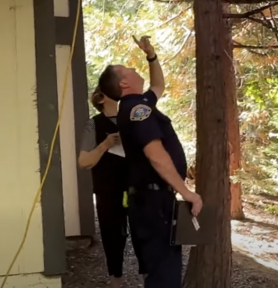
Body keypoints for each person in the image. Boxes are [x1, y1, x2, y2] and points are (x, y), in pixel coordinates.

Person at [97, 36, 203, 288]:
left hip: (151, 201)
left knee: (161, 271)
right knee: (163, 274)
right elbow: (155, 154)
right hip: (153, 203)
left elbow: (158, 86)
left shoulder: (139, 103)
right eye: (129, 69)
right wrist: (187, 192)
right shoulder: (136, 110)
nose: (135, 70)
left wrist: (151, 56)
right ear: (124, 83)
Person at [78, 43, 156, 287]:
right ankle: (116, 279)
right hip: (108, 192)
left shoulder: (134, 114)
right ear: (102, 98)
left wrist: (152, 57)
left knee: (143, 232)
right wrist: (104, 145)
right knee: (113, 236)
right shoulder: (93, 124)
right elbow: (83, 162)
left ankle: (147, 276)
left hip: (136, 186)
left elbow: (156, 89)